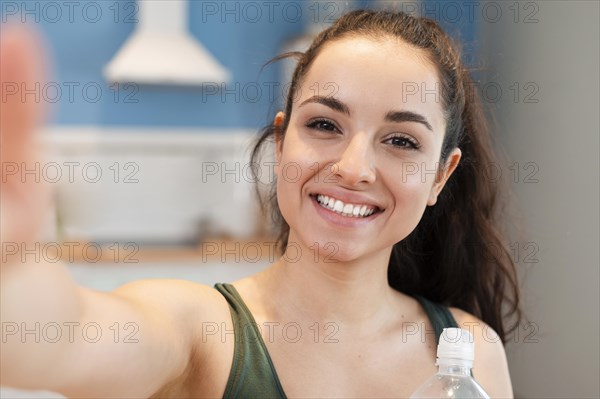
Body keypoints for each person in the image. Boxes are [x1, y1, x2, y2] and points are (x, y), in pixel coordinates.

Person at [1, 10, 520, 399]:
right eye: (324, 124)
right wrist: (11, 261)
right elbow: (64, 339)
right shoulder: (200, 330)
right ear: (280, 144)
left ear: (440, 176)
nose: (354, 167)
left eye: (402, 141)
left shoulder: (472, 350)